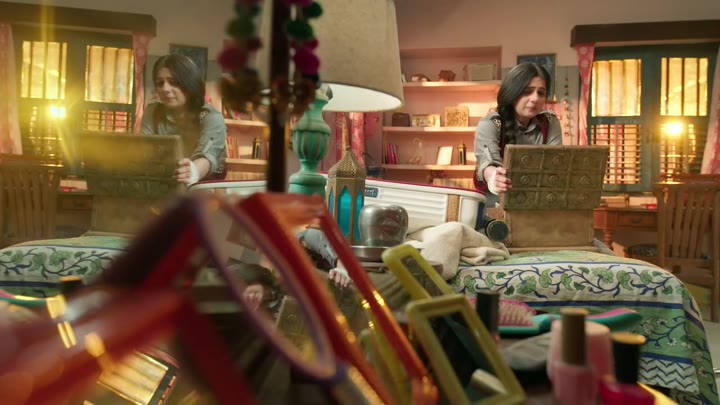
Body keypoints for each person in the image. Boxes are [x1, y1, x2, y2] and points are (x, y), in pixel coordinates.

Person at [473, 62, 562, 200]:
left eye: (541, 93)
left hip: (538, 201)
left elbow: (555, 164)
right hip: (496, 202)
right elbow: (487, 164)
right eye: (527, 92)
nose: (535, 98)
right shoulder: (490, 124)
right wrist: (494, 177)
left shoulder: (550, 122)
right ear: (512, 93)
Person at [141, 54, 227, 185]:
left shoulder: (210, 117)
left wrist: (193, 171)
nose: (165, 89)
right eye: (160, 83)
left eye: (173, 82)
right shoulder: (153, 112)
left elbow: (207, 157)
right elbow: (145, 151)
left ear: (190, 84)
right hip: (160, 182)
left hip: (203, 187)